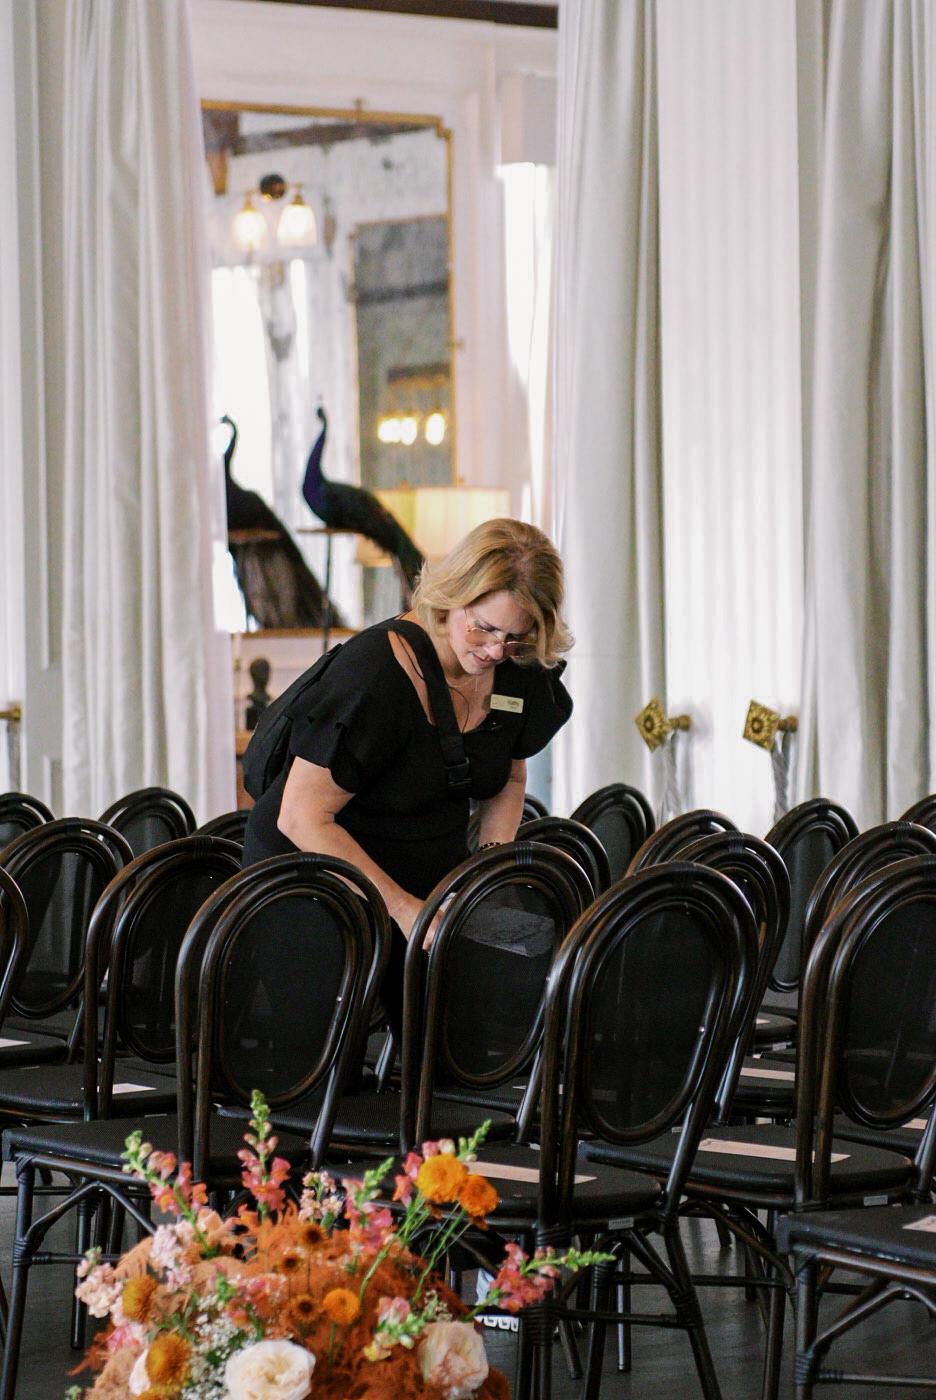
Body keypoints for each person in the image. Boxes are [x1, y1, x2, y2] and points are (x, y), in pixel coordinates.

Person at [242, 517, 573, 1037]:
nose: (494, 651)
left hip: (423, 878)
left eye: (514, 637)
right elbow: (301, 816)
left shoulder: (517, 668)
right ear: (453, 596)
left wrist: (484, 877)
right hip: (316, 879)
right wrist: (403, 908)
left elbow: (508, 777)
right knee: (327, 1059)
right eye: (483, 628)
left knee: (453, 1044)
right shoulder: (375, 674)